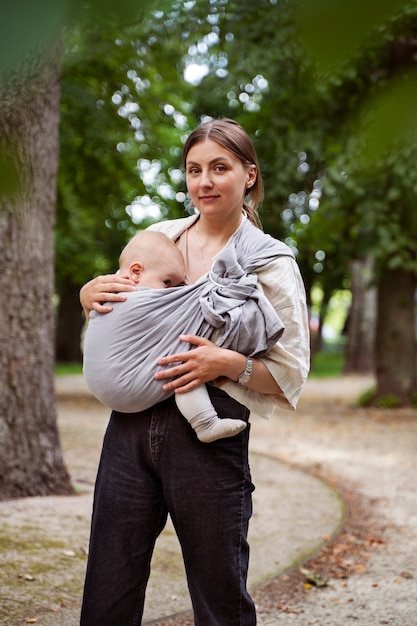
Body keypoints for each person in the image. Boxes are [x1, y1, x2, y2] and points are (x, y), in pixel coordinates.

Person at [79, 117, 310, 626]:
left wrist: (228, 363)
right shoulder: (158, 239)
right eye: (194, 169)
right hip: (130, 428)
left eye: (219, 168)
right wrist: (87, 295)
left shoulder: (270, 263)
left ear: (249, 175)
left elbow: (291, 375)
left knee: (218, 591)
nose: (203, 182)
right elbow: (122, 318)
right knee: (108, 583)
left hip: (209, 435)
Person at [83, 228, 263, 442]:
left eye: (178, 286)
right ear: (135, 272)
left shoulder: (115, 294)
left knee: (183, 359)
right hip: (127, 396)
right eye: (167, 283)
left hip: (101, 385)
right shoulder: (129, 299)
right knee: (183, 357)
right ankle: (205, 422)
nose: (171, 292)